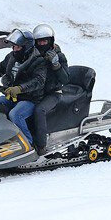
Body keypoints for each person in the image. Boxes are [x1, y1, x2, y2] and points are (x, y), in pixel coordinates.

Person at [0, 29, 48, 147]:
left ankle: (28, 144)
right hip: (12, 96)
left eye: (17, 47)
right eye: (13, 47)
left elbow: (38, 81)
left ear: (26, 47)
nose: (14, 49)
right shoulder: (12, 57)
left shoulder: (38, 61)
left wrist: (19, 88)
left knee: (16, 114)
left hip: (30, 99)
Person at [31, 23, 70, 154]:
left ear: (51, 41)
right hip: (36, 92)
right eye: (39, 41)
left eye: (44, 41)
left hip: (53, 93)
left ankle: (41, 145)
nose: (42, 44)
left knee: (39, 110)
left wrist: (56, 64)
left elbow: (65, 79)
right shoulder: (33, 56)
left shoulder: (59, 56)